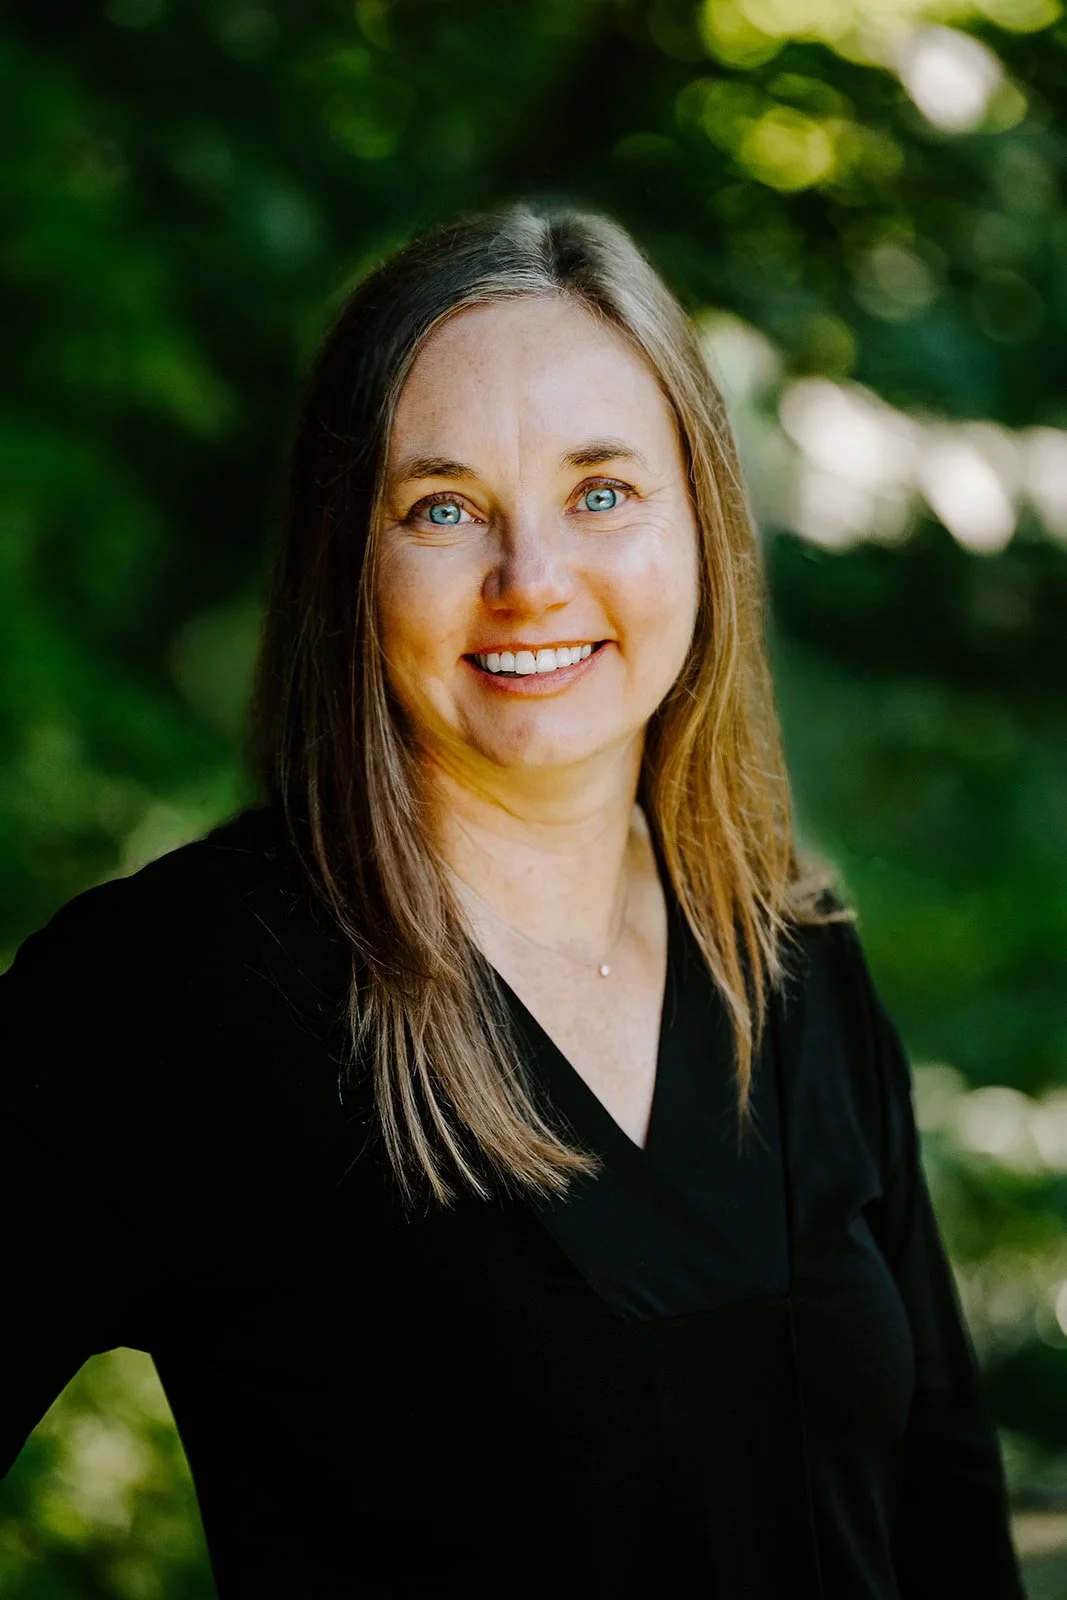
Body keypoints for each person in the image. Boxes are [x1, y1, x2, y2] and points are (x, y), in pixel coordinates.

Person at [0, 203, 1025, 1599]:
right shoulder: (185, 991)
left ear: (702, 529)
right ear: (346, 564)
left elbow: (943, 1507)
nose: (531, 581)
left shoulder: (786, 958)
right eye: (444, 508)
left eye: (602, 492)